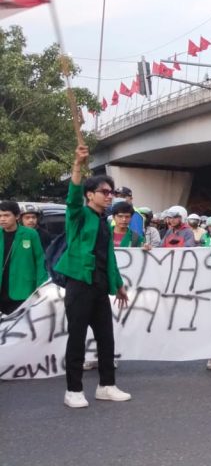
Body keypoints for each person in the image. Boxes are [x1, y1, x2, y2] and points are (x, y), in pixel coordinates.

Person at [57, 145, 132, 408]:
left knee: (106, 338)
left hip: (100, 286)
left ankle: (106, 386)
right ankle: (73, 390)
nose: (110, 196)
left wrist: (118, 285)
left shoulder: (104, 222)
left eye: (111, 192)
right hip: (79, 284)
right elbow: (72, 197)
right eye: (105, 192)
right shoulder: (78, 215)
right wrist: (78, 164)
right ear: (90, 195)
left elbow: (108, 257)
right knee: (77, 337)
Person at [0, 200, 47, 317]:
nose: (2, 219)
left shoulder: (30, 234)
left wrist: (41, 287)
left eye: (6, 215)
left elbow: (40, 260)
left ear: (16, 216)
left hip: (22, 289)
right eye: (0, 216)